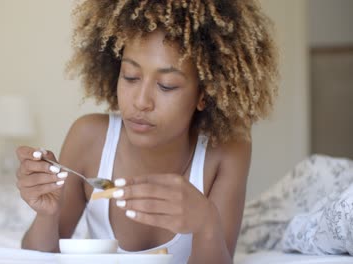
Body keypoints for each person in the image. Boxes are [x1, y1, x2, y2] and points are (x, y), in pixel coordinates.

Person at [16, 0, 278, 263]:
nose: (141, 102)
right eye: (130, 76)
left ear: (203, 94)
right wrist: (46, 214)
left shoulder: (228, 149)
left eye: (167, 85)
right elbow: (39, 258)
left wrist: (206, 223)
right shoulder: (89, 138)